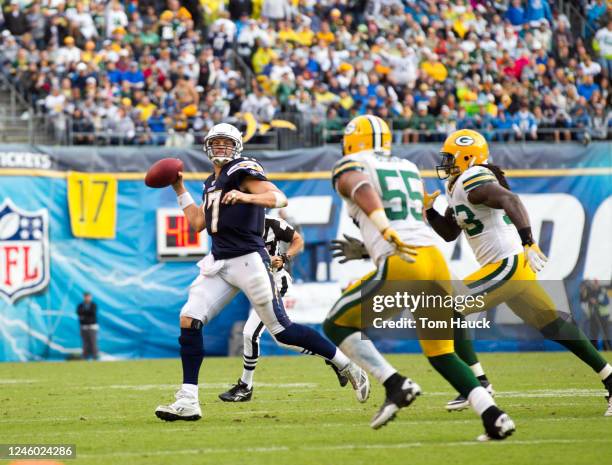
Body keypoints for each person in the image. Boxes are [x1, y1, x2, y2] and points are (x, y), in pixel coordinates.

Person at [155, 123, 367, 422]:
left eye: (227, 144)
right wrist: (179, 189)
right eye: (215, 143)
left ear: (238, 148)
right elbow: (198, 222)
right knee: (189, 319)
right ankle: (188, 399)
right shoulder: (210, 182)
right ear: (206, 146)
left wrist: (246, 197)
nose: (220, 149)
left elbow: (278, 197)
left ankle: (346, 364)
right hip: (219, 262)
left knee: (283, 332)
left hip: (248, 260)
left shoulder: (242, 170)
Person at [323, 115, 514, 440]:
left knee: (335, 324)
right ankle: (494, 417)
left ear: (354, 140)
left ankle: (395, 383)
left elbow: (359, 186)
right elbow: (408, 221)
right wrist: (373, 244)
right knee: (441, 353)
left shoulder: (351, 163)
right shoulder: (407, 166)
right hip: (432, 260)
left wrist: (381, 228)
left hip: (402, 261)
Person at [423, 129, 612, 417]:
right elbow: (450, 233)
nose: (446, 163)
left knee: (447, 307)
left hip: (507, 264)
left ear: (467, 157)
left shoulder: (473, 177)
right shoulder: (458, 185)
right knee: (555, 326)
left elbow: (510, 200)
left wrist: (529, 241)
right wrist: (430, 212)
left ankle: (477, 384)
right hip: (511, 268)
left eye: (450, 158)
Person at [219, 214, 347, 402]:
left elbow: (298, 240)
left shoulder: (272, 223)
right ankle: (333, 357)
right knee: (282, 340)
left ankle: (245, 386)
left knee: (250, 334)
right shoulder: (236, 225)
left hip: (275, 282)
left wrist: (284, 257)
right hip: (256, 285)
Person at [580, 280, 611, 351]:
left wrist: (596, 301)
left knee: (606, 334)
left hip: (603, 316)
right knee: (593, 334)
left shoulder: (602, 291)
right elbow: (584, 300)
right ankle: (594, 349)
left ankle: (607, 349)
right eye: (593, 284)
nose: (594, 285)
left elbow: (606, 302)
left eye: (595, 283)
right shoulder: (590, 292)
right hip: (593, 316)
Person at [76, 292, 99, 360]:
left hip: (92, 326)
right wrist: (85, 315)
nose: (87, 298)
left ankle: (95, 357)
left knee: (93, 342)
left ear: (90, 297)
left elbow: (92, 313)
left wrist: (84, 315)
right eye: (86, 296)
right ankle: (84, 357)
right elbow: (79, 313)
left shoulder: (93, 305)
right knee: (85, 343)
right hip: (84, 327)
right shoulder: (81, 305)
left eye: (88, 296)